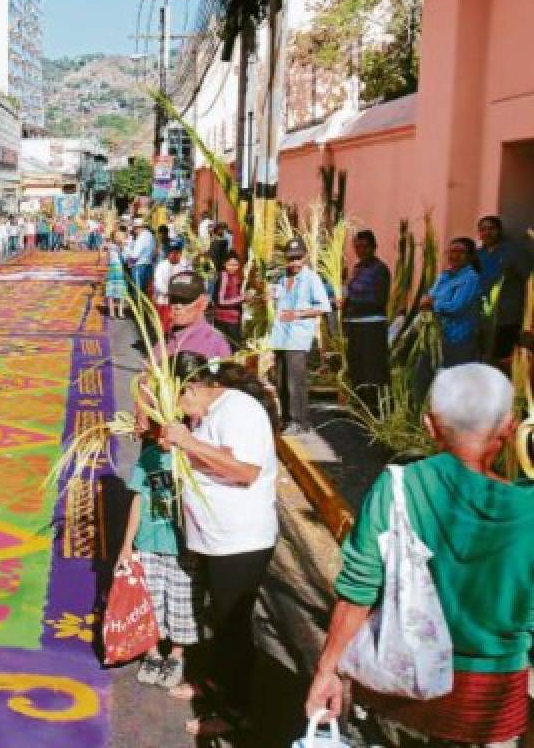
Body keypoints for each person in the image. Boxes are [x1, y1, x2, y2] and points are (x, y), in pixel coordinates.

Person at [306, 363, 534, 748]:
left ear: (430, 425)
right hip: (493, 692)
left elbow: (358, 591)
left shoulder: (398, 487)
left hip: (409, 680)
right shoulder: (526, 506)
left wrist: (327, 670)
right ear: (510, 426)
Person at [158, 352, 280, 739]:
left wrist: (187, 442)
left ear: (191, 388)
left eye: (177, 400)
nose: (179, 412)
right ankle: (213, 683)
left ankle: (236, 710)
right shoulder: (207, 413)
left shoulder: (240, 411)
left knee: (232, 625)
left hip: (240, 539)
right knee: (216, 616)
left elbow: (244, 470)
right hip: (213, 536)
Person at [116, 436, 202, 692]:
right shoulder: (149, 457)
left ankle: (176, 656)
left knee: (182, 602)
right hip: (148, 544)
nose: (164, 439)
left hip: (183, 548)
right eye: (160, 433)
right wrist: (127, 544)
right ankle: (152, 653)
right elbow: (138, 500)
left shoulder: (192, 459)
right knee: (150, 600)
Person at [270, 237, 332, 436]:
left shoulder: (311, 278)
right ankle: (287, 418)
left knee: (294, 381)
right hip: (280, 336)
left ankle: (299, 421)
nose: (294, 263)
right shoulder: (282, 278)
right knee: (280, 379)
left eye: (298, 258)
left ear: (304, 257)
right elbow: (277, 299)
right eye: (290, 259)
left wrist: (298, 314)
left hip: (297, 337)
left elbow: (323, 306)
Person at [342, 230, 391, 414]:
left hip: (371, 324)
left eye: (364, 247)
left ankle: (376, 408)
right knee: (357, 366)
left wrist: (350, 298)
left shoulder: (380, 269)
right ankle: (360, 405)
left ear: (373, 247)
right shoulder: (358, 268)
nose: (360, 250)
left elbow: (378, 299)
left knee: (373, 367)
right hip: (355, 324)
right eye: (357, 247)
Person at [475, 215, 531, 362]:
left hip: (507, 317)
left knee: (503, 358)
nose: (487, 233)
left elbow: (529, 279)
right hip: (482, 318)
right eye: (483, 229)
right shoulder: (477, 255)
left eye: (491, 229)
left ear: (499, 230)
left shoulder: (515, 252)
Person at [421, 237, 482, 368]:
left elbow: (456, 307)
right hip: (439, 337)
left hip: (459, 339)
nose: (455, 255)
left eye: (460, 252)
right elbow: (429, 297)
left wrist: (433, 304)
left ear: (470, 256)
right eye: (452, 251)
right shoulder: (444, 276)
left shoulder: (471, 278)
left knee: (455, 379)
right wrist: (429, 302)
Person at [162, 271, 232, 359]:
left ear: (203, 303)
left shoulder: (214, 343)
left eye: (185, 301)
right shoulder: (165, 338)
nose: (177, 306)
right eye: (173, 300)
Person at [152, 239, 191, 334]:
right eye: (172, 252)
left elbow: (189, 279)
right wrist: (170, 292)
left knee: (179, 327)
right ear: (168, 253)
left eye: (177, 252)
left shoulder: (185, 265)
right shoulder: (161, 266)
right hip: (164, 301)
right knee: (163, 326)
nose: (174, 255)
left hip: (180, 302)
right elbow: (158, 283)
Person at [212, 253, 245, 346]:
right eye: (230, 265)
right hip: (225, 320)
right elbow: (220, 301)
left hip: (232, 319)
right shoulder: (224, 276)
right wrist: (242, 298)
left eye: (235, 265)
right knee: (230, 347)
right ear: (224, 264)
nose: (233, 267)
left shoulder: (235, 277)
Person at [126, 218, 157, 297]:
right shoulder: (150, 235)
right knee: (145, 292)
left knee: (137, 292)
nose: (134, 231)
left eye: (134, 229)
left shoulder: (141, 237)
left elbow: (135, 255)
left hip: (139, 267)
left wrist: (129, 264)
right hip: (148, 266)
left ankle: (138, 308)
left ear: (137, 228)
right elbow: (154, 252)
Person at [104, 232, 127, 319]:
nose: (118, 238)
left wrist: (123, 245)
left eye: (120, 237)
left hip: (119, 270)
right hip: (112, 269)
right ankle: (112, 312)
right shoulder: (112, 246)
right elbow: (108, 257)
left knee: (120, 292)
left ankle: (120, 312)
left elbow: (123, 255)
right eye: (117, 237)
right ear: (114, 238)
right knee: (111, 292)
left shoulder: (121, 247)